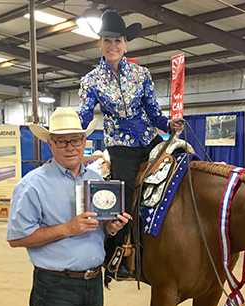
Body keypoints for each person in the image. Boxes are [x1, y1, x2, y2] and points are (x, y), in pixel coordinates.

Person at [6, 107, 131, 306]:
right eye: (61, 142)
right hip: (55, 287)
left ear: (84, 141)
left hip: (93, 284)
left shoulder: (95, 180)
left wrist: (110, 229)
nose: (70, 147)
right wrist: (67, 229)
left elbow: (97, 230)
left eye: (75, 140)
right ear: (50, 144)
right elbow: (16, 239)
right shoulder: (32, 185)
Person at [78, 10, 184, 280]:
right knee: (121, 197)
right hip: (120, 145)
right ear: (99, 44)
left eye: (118, 41)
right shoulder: (90, 81)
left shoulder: (141, 74)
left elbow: (152, 111)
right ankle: (116, 256)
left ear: (126, 44)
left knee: (182, 161)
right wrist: (71, 131)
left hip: (149, 138)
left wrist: (169, 124)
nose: (113, 46)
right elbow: (85, 116)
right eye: (108, 41)